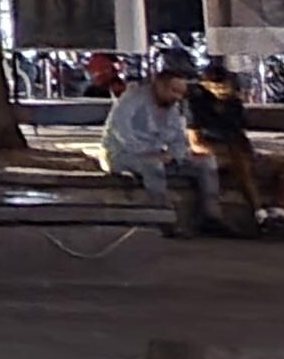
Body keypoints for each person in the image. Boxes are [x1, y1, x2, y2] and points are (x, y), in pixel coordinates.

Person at [103, 58, 217, 227]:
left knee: (207, 162)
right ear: (159, 86)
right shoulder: (133, 99)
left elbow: (179, 138)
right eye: (173, 91)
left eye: (180, 93)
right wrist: (149, 152)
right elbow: (121, 132)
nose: (177, 97)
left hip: (160, 156)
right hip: (123, 155)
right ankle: (162, 216)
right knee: (153, 165)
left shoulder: (173, 107)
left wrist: (175, 154)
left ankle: (211, 215)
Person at [188, 61, 264, 233]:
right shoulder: (196, 104)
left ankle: (269, 212)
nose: (223, 91)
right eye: (217, 87)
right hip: (207, 150)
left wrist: (248, 151)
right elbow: (195, 143)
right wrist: (225, 152)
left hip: (232, 147)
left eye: (226, 87)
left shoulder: (234, 105)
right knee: (239, 161)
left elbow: (239, 133)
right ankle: (258, 210)